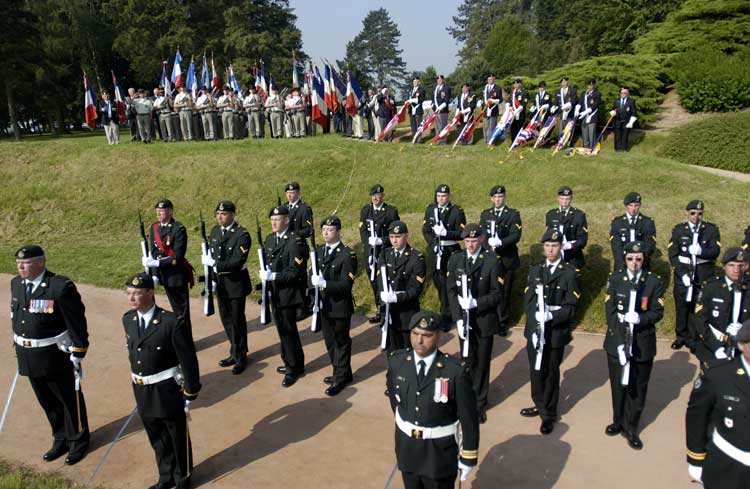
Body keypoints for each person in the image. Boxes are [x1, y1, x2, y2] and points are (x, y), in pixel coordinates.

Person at [11, 245, 89, 465]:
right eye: (18, 263)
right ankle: (60, 437)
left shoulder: (59, 287)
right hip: (28, 354)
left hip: (54, 355)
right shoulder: (16, 284)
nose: (20, 266)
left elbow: (76, 323)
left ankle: (78, 440)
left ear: (41, 263)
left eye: (25, 263)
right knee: (47, 401)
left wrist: (78, 352)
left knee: (67, 400)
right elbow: (17, 316)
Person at [123, 273, 200, 489]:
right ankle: (165, 476)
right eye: (129, 294)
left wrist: (190, 391)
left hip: (166, 390)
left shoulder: (171, 323)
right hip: (142, 389)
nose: (131, 299)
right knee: (156, 437)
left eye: (136, 294)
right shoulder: (128, 320)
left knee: (176, 437)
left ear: (150, 293)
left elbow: (188, 360)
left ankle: (182, 477)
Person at [386, 310, 479, 489]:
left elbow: (469, 418)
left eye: (427, 335)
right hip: (408, 449)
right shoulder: (397, 362)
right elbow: (395, 400)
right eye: (415, 334)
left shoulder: (454, 371)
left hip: (438, 454)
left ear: (438, 337)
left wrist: (468, 456)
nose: (419, 341)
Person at [603, 241, 665, 450]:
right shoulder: (615, 279)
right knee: (618, 385)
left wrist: (641, 318)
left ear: (644, 260)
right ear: (625, 259)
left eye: (639, 259)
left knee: (638, 388)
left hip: (642, 343)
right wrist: (620, 341)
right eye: (630, 258)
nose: (634, 262)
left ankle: (631, 427)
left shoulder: (653, 282)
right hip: (617, 342)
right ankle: (617, 420)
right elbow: (610, 311)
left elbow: (657, 311)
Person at [520, 229, 579, 435]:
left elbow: (571, 306)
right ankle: (539, 403)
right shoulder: (536, 270)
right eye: (547, 246)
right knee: (536, 371)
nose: (551, 249)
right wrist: (536, 315)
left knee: (551, 372)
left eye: (554, 245)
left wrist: (552, 315)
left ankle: (549, 414)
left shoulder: (569, 273)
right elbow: (528, 299)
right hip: (536, 329)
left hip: (555, 332)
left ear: (560, 247)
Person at [447, 223, 503, 424]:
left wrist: (476, 303)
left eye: (474, 240)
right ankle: (465, 400)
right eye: (467, 241)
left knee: (481, 363)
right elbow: (451, 291)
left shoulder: (491, 261)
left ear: (481, 239)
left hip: (484, 321)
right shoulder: (456, 259)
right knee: (467, 362)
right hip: (465, 322)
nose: (470, 245)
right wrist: (458, 319)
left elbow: (497, 294)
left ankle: (479, 403)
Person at [685, 320, 750, 489]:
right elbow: (697, 418)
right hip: (726, 467)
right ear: (742, 345)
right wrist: (696, 460)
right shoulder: (718, 375)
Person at [201, 200, 252, 375]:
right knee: (226, 319)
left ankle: (241, 355)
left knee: (237, 320)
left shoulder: (242, 234)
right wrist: (212, 278)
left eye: (223, 214)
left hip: (235, 284)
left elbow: (237, 261)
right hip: (221, 285)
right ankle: (234, 350)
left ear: (232, 215)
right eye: (217, 214)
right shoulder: (215, 232)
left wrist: (215, 264)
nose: (219, 217)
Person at [310, 215, 358, 396]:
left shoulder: (347, 255)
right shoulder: (321, 252)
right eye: (323, 230)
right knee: (330, 341)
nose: (326, 233)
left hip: (339, 306)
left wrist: (325, 284)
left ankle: (340, 377)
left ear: (338, 232)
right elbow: (312, 273)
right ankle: (342, 372)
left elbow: (346, 285)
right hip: (324, 305)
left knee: (341, 341)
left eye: (330, 230)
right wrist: (313, 285)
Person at [260, 205, 307, 387]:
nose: (273, 222)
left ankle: (293, 368)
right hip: (275, 292)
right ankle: (291, 361)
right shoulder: (270, 239)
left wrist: (274, 276)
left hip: (287, 294)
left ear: (286, 220)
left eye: (277, 219)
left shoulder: (295, 241)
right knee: (282, 330)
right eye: (271, 220)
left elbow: (294, 272)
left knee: (288, 331)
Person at [668, 199, 721, 351]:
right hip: (683, 276)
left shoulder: (710, 230)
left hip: (702, 276)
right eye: (692, 213)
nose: (695, 216)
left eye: (699, 213)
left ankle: (695, 338)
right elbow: (673, 254)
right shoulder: (679, 230)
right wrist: (681, 273)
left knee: (698, 308)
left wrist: (701, 252)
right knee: (682, 307)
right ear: (687, 213)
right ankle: (681, 336)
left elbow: (715, 252)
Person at [144, 199, 194, 332]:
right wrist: (154, 273)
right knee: (172, 310)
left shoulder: (178, 229)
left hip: (176, 276)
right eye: (157, 211)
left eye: (162, 211)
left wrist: (157, 263)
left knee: (181, 312)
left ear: (170, 211)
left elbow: (177, 256)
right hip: (163, 275)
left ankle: (186, 342)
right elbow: (153, 253)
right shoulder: (154, 227)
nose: (159, 214)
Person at [693, 247, 749, 364]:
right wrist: (716, 347)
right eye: (731, 265)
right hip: (712, 348)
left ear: (747, 266)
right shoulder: (711, 287)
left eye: (740, 266)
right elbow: (700, 320)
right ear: (723, 266)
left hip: (744, 351)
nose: (736, 270)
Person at [376, 221, 426, 352]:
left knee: (407, 351)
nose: (394, 240)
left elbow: (416, 290)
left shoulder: (416, 258)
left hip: (406, 314)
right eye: (391, 237)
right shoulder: (385, 254)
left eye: (398, 237)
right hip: (388, 312)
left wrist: (397, 297)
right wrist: (382, 295)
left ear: (406, 236)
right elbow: (380, 280)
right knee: (391, 352)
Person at [479, 185, 522, 336]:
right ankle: (492, 319)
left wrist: (501, 242)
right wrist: (486, 244)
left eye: (500, 197)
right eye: (495, 197)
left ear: (504, 198)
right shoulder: (485, 214)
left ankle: (502, 321)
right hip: (490, 259)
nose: (497, 199)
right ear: (491, 198)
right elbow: (481, 234)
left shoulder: (512, 214)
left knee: (505, 291)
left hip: (506, 258)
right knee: (491, 289)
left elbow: (515, 235)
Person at [422, 184, 466, 327]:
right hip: (436, 251)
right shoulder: (430, 209)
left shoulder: (456, 211)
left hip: (451, 251)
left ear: (449, 196)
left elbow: (461, 234)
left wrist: (446, 233)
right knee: (439, 283)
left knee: (450, 284)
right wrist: (433, 243)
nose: (441, 199)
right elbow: (426, 230)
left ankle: (448, 315)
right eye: (439, 196)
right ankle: (446, 310)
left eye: (444, 196)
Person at [359, 184, 400, 324]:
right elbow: (363, 230)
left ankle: (387, 310)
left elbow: (396, 233)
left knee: (384, 281)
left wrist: (381, 241)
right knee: (373, 282)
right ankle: (379, 309)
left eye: (378, 195)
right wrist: (368, 243)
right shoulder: (366, 210)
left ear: (383, 195)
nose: (375, 198)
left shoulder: (390, 211)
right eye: (373, 195)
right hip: (370, 252)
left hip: (384, 252)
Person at [284, 181, 314, 317]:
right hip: (285, 248)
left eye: (292, 193)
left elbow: (308, 229)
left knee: (300, 277)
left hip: (298, 247)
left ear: (298, 193)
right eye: (288, 193)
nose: (290, 196)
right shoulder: (284, 208)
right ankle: (293, 303)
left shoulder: (304, 208)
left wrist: (294, 234)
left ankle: (302, 307)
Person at [545, 185, 588, 275]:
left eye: (567, 199)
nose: (564, 201)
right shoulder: (551, 215)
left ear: (571, 199)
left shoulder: (579, 215)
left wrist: (569, 246)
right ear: (557, 198)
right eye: (562, 198)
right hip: (555, 256)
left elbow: (583, 239)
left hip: (573, 256)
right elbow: (547, 236)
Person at [609, 192, 657, 271]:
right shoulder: (617, 223)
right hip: (622, 265)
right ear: (626, 206)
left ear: (640, 205)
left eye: (636, 205)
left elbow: (649, 245)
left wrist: (638, 261)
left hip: (642, 265)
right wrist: (627, 263)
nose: (633, 209)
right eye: (630, 205)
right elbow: (616, 248)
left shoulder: (647, 223)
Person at [609, 86, 637, 151]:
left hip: (626, 121)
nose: (623, 94)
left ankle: (624, 149)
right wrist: (612, 112)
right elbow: (613, 109)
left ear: (628, 93)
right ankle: (617, 149)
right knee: (617, 135)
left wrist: (631, 122)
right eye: (621, 93)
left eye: (624, 93)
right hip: (617, 120)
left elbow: (633, 112)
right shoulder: (616, 100)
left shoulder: (631, 101)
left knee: (625, 136)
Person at [577, 78, 601, 149]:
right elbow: (580, 102)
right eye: (588, 85)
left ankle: (592, 147)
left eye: (591, 85)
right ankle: (585, 146)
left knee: (591, 133)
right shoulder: (584, 93)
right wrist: (577, 109)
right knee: (584, 132)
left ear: (594, 85)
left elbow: (596, 104)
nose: (590, 87)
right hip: (584, 116)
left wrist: (587, 111)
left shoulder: (597, 93)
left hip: (592, 116)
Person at [554, 77, 577, 143]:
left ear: (567, 82)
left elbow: (574, 101)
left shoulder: (572, 90)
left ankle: (568, 143)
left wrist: (569, 104)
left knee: (568, 129)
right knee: (560, 129)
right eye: (562, 82)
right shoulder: (558, 91)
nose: (564, 83)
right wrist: (554, 107)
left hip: (569, 113)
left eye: (565, 82)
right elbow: (556, 102)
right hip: (560, 114)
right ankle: (560, 143)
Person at [482, 74, 503, 144]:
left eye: (492, 79)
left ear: (494, 79)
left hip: (493, 110)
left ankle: (491, 142)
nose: (490, 80)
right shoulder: (484, 88)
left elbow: (500, 99)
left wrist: (494, 101)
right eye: (489, 79)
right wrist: (480, 101)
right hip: (485, 110)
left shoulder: (497, 88)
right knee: (485, 126)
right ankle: (486, 140)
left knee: (492, 126)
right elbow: (482, 97)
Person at [432, 75, 451, 144]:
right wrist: (433, 106)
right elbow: (432, 98)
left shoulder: (446, 88)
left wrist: (440, 107)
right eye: (437, 80)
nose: (438, 81)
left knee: (443, 126)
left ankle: (443, 140)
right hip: (435, 110)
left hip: (443, 110)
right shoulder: (435, 87)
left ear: (443, 80)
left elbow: (446, 100)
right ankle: (438, 139)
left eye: (440, 80)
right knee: (437, 126)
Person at [407, 77, 425, 143]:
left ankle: (419, 139)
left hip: (418, 110)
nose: (415, 83)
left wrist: (413, 100)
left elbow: (421, 100)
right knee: (413, 125)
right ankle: (414, 138)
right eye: (414, 82)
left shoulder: (421, 90)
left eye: (416, 81)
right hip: (411, 110)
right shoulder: (410, 91)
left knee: (418, 125)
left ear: (419, 82)